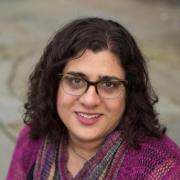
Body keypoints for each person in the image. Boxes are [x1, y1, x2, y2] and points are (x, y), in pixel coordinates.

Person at [7, 17, 180, 180]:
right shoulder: (32, 137)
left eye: (109, 84)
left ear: (129, 92)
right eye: (76, 80)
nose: (90, 100)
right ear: (54, 84)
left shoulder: (161, 169)